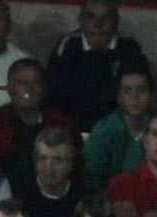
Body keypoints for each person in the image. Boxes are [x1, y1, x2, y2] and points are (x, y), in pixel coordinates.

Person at [44, 0, 142, 131]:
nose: (97, 24)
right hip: (72, 131)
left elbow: (140, 96)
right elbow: (52, 95)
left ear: (116, 22)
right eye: (90, 17)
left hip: (116, 131)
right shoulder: (68, 45)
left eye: (105, 18)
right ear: (81, 20)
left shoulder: (129, 48)